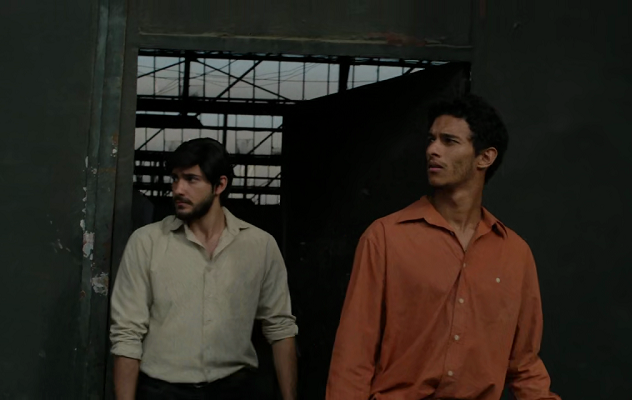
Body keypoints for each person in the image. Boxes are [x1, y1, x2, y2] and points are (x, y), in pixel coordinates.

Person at [326, 94, 561, 400]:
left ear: (484, 158)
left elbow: (525, 364)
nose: (432, 150)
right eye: (431, 139)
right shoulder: (384, 238)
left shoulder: (515, 253)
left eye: (449, 141)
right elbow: (354, 354)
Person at [109, 138, 298, 400]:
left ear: (220, 185)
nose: (178, 189)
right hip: (162, 391)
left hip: (236, 389)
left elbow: (280, 328)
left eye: (191, 179)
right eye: (175, 179)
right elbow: (127, 335)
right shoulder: (147, 243)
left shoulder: (260, 246)